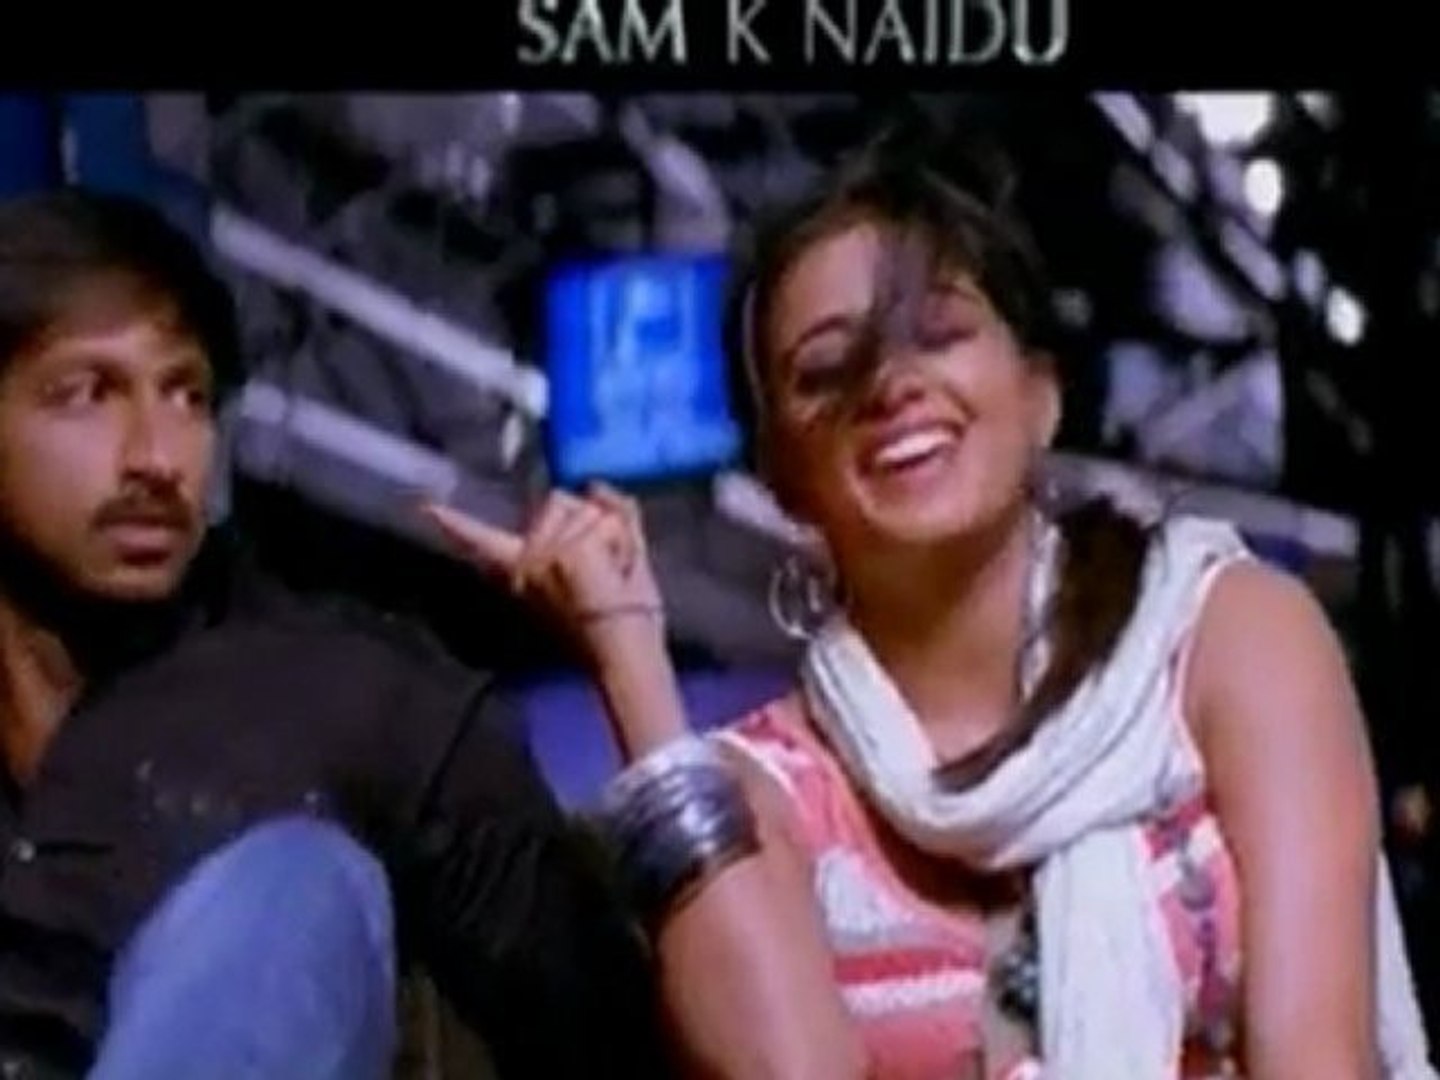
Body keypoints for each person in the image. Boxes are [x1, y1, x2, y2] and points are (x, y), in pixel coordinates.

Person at [425, 141, 1437, 1079]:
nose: (893, 383)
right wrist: (627, 655)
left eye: (938, 333)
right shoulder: (766, 790)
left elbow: (1318, 1061)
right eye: (829, 370)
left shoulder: (1227, 635)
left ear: (1040, 395)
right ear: (781, 480)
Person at [0, 189, 670, 1080]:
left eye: (187, 395)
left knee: (296, 883)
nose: (157, 458)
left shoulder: (362, 699)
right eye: (86, 394)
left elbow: (612, 1043)